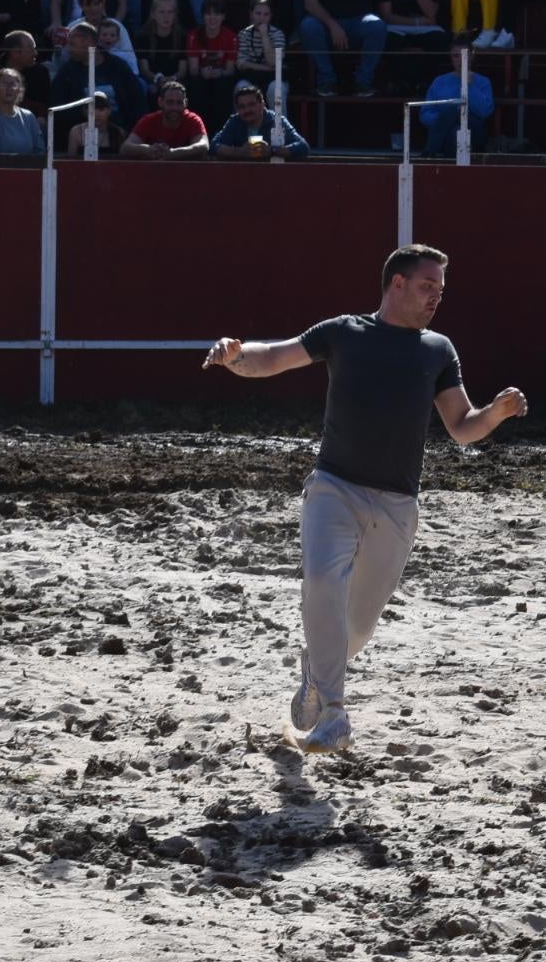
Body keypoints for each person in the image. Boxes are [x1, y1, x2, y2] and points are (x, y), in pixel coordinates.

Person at [203, 244, 525, 753]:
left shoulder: (438, 350)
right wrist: (237, 355)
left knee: (357, 626)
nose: (435, 298)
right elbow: (276, 357)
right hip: (335, 487)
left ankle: (315, 672)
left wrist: (496, 413)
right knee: (324, 582)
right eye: (426, 287)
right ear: (396, 284)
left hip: (398, 504)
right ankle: (334, 712)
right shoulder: (344, 332)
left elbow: (462, 427)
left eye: (440, 291)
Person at [419, 41, 493, 158]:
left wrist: (470, 86)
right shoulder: (439, 82)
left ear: (471, 56)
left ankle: (429, 151)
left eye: (464, 55)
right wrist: (445, 121)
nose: (460, 60)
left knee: (454, 110)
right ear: (451, 58)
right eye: (456, 56)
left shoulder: (483, 81)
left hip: (473, 130)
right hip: (446, 136)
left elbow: (484, 112)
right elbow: (425, 114)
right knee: (454, 124)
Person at [212, 78, 309, 159]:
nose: (247, 110)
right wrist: (239, 151)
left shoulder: (276, 120)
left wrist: (272, 150)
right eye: (242, 106)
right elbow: (213, 146)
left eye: (251, 104)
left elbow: (303, 147)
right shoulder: (235, 121)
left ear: (262, 104)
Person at [124, 74, 212, 159]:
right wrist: (149, 150)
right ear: (160, 102)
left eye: (179, 103)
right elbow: (126, 147)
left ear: (186, 103)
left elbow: (203, 146)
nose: (175, 107)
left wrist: (173, 153)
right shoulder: (149, 120)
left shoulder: (193, 120)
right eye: (170, 102)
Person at [188, 0, 241, 127]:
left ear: (223, 17)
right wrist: (202, 71)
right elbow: (193, 69)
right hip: (201, 77)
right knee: (196, 85)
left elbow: (230, 70)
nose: (212, 18)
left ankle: (222, 130)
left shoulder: (231, 37)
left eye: (217, 14)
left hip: (221, 77)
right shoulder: (194, 35)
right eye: (208, 14)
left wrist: (219, 72)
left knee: (224, 86)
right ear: (203, 16)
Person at [0, 68, 45, 156]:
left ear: (19, 89)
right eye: (4, 83)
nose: (9, 88)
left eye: (13, 84)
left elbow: (40, 151)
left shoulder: (29, 117)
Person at [134, 0, 190, 86]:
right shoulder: (142, 36)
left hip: (176, 81)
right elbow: (144, 69)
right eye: (161, 12)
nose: (166, 16)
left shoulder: (183, 36)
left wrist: (173, 79)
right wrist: (158, 79)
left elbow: (182, 70)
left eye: (170, 12)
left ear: (175, 14)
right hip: (152, 81)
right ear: (153, 14)